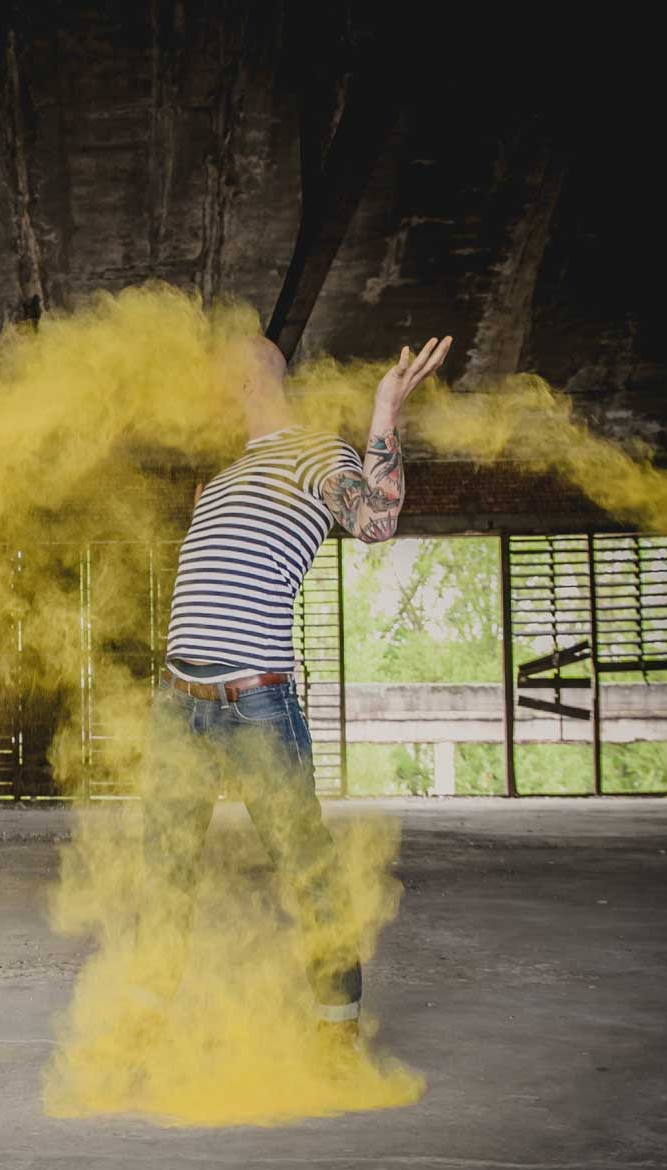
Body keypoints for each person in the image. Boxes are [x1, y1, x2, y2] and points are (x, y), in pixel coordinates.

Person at [145, 333, 451, 1035]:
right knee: (163, 871)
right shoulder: (222, 479)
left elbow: (375, 520)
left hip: (256, 705)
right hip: (178, 703)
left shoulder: (318, 453)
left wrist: (384, 415)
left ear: (249, 377)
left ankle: (336, 1023)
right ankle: (143, 1014)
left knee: (307, 870)